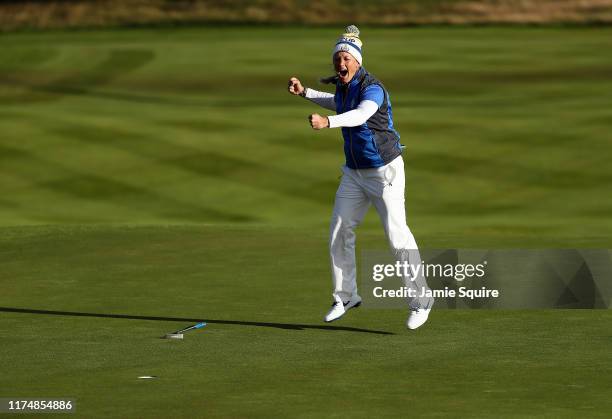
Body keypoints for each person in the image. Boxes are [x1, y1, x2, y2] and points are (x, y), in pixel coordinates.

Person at [287, 25, 434, 330]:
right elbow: (339, 104)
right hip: (354, 174)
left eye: (346, 59)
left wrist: (327, 123)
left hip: (385, 171)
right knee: (339, 231)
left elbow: (360, 114)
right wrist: (306, 93)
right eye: (337, 58)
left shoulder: (373, 88)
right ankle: (346, 296)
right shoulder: (343, 86)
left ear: (357, 61)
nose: (341, 64)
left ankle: (421, 300)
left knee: (397, 236)